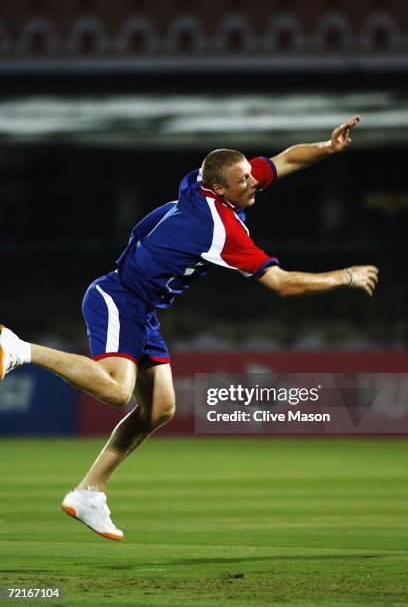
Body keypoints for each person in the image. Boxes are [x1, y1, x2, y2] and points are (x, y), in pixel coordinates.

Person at [0, 115, 378, 541]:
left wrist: (326, 148)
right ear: (219, 188)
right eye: (244, 181)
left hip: (143, 308)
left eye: (252, 176)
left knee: (160, 409)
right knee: (115, 390)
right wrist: (344, 276)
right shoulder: (220, 229)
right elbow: (284, 284)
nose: (254, 182)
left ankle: (90, 491)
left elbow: (285, 159)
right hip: (118, 296)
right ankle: (17, 348)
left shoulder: (207, 183)